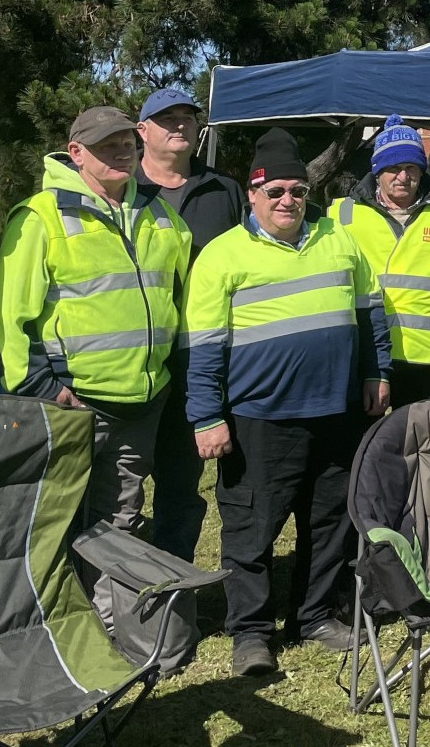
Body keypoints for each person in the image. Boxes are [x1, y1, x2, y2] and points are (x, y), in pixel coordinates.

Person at [184, 128, 390, 677]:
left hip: (338, 412)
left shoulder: (340, 241)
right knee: (251, 530)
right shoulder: (221, 255)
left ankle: (314, 616)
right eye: (274, 191)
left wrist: (376, 371)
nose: (287, 201)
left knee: (329, 525)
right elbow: (204, 351)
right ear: (252, 194)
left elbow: (371, 316)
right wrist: (206, 416)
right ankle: (250, 633)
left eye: (297, 191)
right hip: (258, 419)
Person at [0, 105, 193, 620]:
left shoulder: (160, 214)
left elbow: (181, 294)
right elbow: (9, 317)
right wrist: (42, 387)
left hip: (142, 403)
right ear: (76, 152)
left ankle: (109, 630)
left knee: (120, 518)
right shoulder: (40, 216)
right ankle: (49, 624)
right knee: (54, 520)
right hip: (71, 404)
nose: (122, 151)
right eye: (107, 145)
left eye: (127, 142)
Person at [133, 85, 243, 562]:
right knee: (122, 489)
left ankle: (173, 585)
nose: (180, 126)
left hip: (200, 360)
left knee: (181, 485)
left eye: (187, 118)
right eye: (167, 118)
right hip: (133, 363)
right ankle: (122, 589)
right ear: (142, 131)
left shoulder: (225, 190)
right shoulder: (122, 190)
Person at [331, 116, 430, 408]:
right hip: (362, 357)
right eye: (393, 168)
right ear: (377, 171)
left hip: (426, 361)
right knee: (361, 449)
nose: (402, 176)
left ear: (422, 171)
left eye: (410, 167)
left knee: (418, 448)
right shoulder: (342, 216)